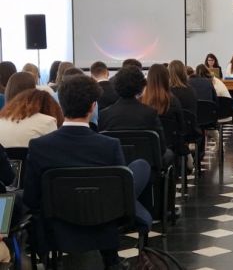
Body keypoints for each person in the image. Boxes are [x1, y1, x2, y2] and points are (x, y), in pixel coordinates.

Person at [23, 75, 151, 269]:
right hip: (103, 223)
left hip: (57, 227)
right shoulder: (109, 146)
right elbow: (119, 197)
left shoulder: (40, 146)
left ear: (61, 105)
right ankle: (113, 259)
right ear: (93, 106)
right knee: (137, 171)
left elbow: (31, 198)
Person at [99, 66, 168, 157]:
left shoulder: (104, 115)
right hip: (146, 165)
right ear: (142, 85)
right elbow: (161, 148)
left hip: (115, 166)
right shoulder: (150, 113)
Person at [141, 64, 185, 154]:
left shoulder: (140, 102)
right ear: (167, 79)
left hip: (145, 151)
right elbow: (181, 128)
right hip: (170, 149)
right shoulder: (173, 101)